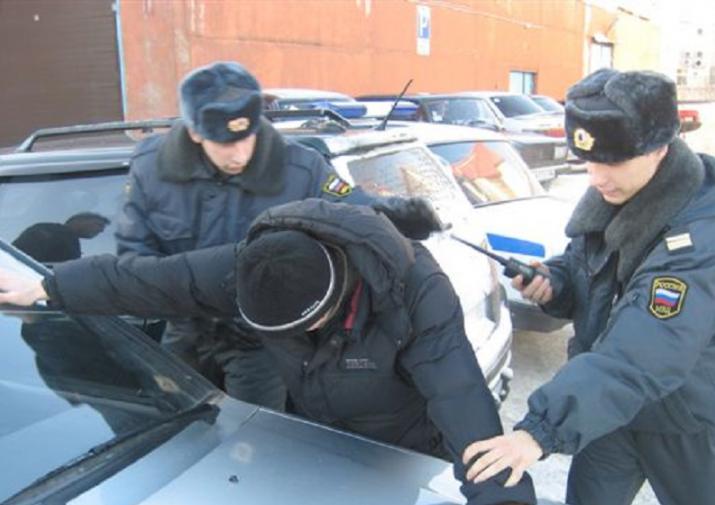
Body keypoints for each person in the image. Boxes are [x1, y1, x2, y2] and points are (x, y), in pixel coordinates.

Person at [0, 198, 536, 505]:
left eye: (303, 328)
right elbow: (153, 280)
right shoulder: (255, 266)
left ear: (334, 303)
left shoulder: (414, 294)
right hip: (317, 441)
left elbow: (462, 404)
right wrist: (50, 286)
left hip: (406, 448)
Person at [462, 69, 715, 505]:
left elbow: (643, 350)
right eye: (588, 162)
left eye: (611, 162)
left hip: (683, 421)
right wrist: (555, 282)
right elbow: (584, 265)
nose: (596, 177)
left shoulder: (699, 238)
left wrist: (540, 430)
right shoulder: (613, 197)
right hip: (606, 413)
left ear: (659, 148)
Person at [115, 60, 427, 410]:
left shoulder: (300, 168)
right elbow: (133, 255)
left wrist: (397, 217)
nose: (240, 154)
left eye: (246, 136)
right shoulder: (152, 167)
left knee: (255, 432)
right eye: (225, 143)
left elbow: (350, 209)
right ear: (196, 133)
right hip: (185, 334)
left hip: (258, 342)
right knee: (173, 425)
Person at [13, 212, 110, 263]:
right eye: (98, 224)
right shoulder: (47, 230)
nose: (101, 230)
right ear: (78, 221)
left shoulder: (72, 240)